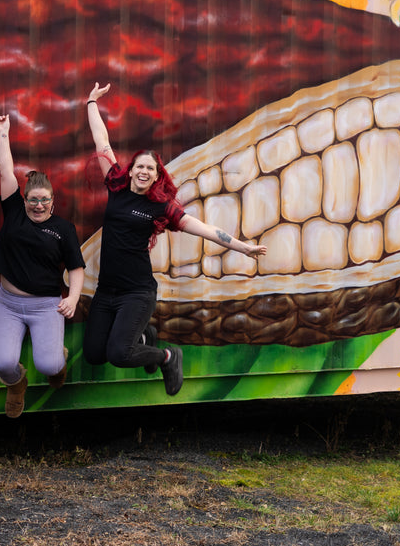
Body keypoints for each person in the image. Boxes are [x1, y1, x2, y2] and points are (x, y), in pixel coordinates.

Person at [82, 82, 267, 396]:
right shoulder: (116, 185)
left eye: (150, 169)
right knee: (94, 354)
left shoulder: (161, 209)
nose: (144, 171)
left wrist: (243, 247)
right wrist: (91, 102)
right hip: (106, 291)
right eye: (139, 166)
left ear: (157, 176)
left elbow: (206, 229)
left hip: (136, 292)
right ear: (131, 170)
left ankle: (168, 357)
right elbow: (102, 140)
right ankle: (145, 337)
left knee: (118, 354)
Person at [0, 115, 85, 418]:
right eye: (33, 200)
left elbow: (76, 267)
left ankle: (58, 360)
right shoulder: (14, 212)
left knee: (50, 365)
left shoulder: (64, 229)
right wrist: (3, 133)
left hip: (46, 306)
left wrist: (73, 298)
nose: (38, 205)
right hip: (8, 303)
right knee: (3, 363)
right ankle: (17, 384)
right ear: (24, 199)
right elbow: (6, 170)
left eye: (44, 200)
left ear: (53, 200)